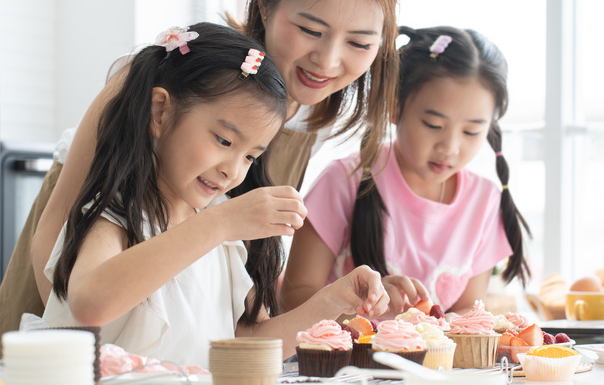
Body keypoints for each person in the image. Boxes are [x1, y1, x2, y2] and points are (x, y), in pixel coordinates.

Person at [0, 0, 402, 339]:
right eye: (310, 30)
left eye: (359, 44)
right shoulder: (170, 76)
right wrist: (72, 343)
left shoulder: (306, 112)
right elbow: (60, 248)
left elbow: (240, 308)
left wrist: (334, 301)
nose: (328, 61)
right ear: (264, 3)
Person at [24, 23, 388, 367]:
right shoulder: (119, 213)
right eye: (224, 141)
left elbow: (251, 341)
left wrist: (333, 301)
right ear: (160, 111)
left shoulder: (222, 230)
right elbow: (90, 303)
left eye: (250, 156)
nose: (233, 170)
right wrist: (220, 224)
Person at [281, 26, 532, 316]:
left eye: (472, 131)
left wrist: (433, 329)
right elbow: (294, 297)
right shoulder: (343, 181)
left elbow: (468, 310)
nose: (450, 147)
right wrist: (361, 305)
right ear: (395, 109)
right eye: (433, 125)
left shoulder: (484, 200)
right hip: (344, 361)